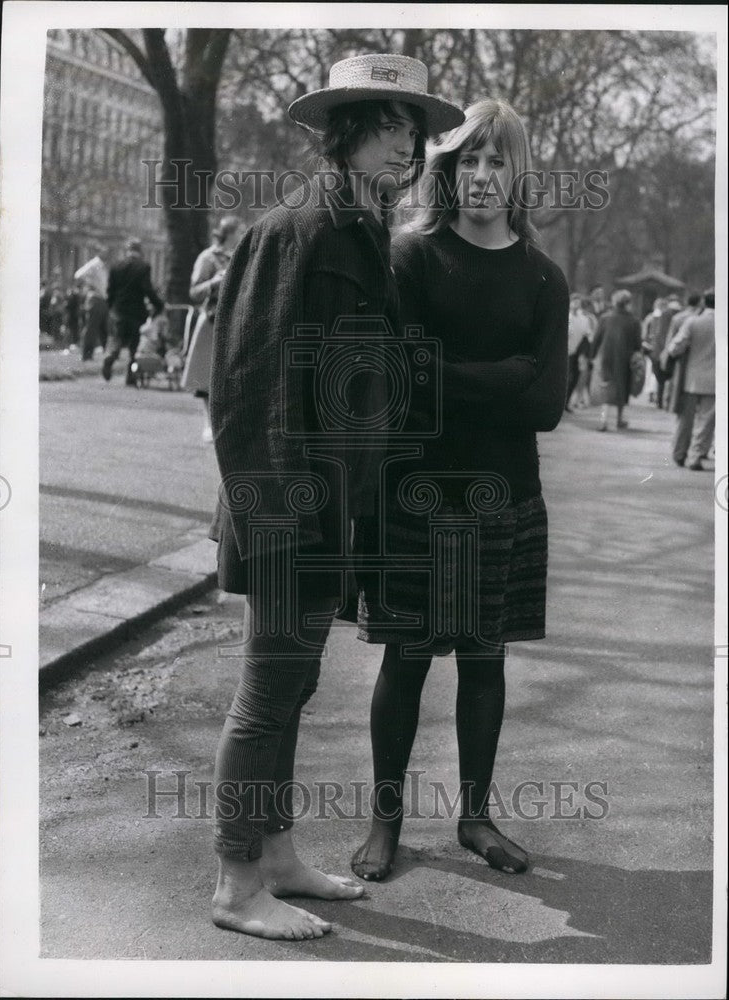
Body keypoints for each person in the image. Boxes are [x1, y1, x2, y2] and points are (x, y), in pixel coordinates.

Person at [208, 54, 464, 940]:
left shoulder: (357, 231)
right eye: (389, 125)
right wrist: (284, 520)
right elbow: (248, 390)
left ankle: (274, 854)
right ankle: (239, 883)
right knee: (267, 693)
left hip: (329, 512)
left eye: (415, 131)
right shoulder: (299, 229)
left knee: (295, 683)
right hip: (286, 511)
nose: (408, 146)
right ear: (344, 132)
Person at [349, 98, 569, 882]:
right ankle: (385, 823)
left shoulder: (544, 278)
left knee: (485, 659)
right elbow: (403, 382)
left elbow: (545, 405)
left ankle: (475, 818)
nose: (481, 174)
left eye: (496, 160)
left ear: (516, 174)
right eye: (468, 160)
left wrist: (455, 377)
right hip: (416, 492)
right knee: (406, 658)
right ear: (448, 171)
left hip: (503, 494)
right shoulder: (410, 258)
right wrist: (504, 376)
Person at [181, 217, 240, 443]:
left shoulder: (242, 256)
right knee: (206, 377)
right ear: (229, 233)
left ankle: (227, 425)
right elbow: (194, 292)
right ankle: (209, 423)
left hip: (236, 319)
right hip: (212, 320)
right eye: (239, 232)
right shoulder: (208, 257)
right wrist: (215, 282)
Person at [665, 290, 715, 470]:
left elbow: (674, 348)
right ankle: (696, 456)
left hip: (691, 378)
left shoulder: (693, 322)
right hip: (715, 381)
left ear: (704, 302)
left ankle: (680, 453)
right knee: (706, 421)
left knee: (685, 419)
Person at [102, 238, 164, 385]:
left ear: (127, 251)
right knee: (134, 345)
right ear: (140, 251)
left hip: (118, 309)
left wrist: (111, 306)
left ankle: (110, 356)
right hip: (136, 310)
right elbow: (148, 289)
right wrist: (158, 304)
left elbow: (110, 291)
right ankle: (130, 376)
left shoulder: (116, 266)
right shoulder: (143, 267)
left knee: (117, 338)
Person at [590, 289, 642, 431]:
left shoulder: (605, 318)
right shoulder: (634, 321)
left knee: (606, 387)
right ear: (627, 303)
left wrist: (592, 356)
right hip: (625, 358)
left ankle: (604, 420)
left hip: (606, 357)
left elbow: (596, 339)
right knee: (623, 387)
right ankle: (620, 419)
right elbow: (638, 344)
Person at [75, 246, 110, 360]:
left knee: (104, 329)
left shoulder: (102, 266)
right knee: (92, 328)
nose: (106, 253)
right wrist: (90, 284)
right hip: (95, 299)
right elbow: (79, 274)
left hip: (102, 300)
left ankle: (106, 354)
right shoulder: (94, 264)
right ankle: (87, 355)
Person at [565, 293, 593, 411]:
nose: (576, 304)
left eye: (578, 302)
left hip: (576, 353)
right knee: (566, 377)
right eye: (574, 301)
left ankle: (566, 403)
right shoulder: (566, 317)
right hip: (564, 352)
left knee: (574, 378)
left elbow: (587, 336)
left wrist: (583, 353)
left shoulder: (584, 319)